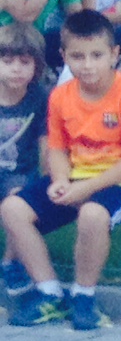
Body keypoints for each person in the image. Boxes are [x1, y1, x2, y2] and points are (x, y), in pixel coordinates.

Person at [2, 8, 121, 332]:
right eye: (78, 56)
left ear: (114, 55)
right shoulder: (61, 97)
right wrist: (60, 180)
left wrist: (84, 189)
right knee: (13, 209)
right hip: (78, 173)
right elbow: (58, 148)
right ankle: (49, 292)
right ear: (64, 57)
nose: (87, 65)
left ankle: (84, 295)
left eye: (96, 55)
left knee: (92, 214)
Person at [0, 28, 48, 293]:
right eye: (7, 62)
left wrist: (48, 179)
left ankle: (11, 261)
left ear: (36, 66)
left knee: (19, 198)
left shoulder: (39, 98)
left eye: (25, 62)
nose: (16, 69)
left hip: (20, 171)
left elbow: (45, 141)